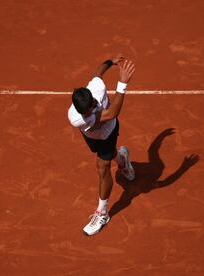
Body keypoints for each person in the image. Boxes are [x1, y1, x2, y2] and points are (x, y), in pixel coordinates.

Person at [67, 55, 136, 236]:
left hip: (108, 132)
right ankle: (122, 160)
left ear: (90, 96)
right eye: (87, 111)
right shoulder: (77, 119)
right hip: (91, 136)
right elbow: (112, 111)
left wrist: (110, 61)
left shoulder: (96, 87)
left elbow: (98, 72)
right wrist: (122, 84)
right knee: (107, 156)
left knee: (102, 167)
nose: (91, 110)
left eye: (91, 106)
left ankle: (102, 213)